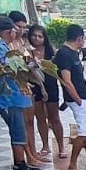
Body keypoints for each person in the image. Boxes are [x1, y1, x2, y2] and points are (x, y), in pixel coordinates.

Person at [0, 16, 43, 170]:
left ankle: (20, 165)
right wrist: (29, 65)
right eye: (15, 29)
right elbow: (10, 69)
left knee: (18, 132)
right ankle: (22, 168)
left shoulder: (0, 46)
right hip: (9, 99)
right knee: (18, 134)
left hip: (13, 97)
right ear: (8, 31)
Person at [55, 24, 86, 170]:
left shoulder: (73, 53)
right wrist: (77, 99)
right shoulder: (64, 54)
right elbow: (66, 80)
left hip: (83, 96)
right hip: (77, 98)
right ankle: (72, 164)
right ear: (80, 38)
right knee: (84, 132)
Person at [27, 24, 66, 160]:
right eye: (34, 35)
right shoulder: (27, 52)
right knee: (40, 117)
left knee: (54, 117)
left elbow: (59, 71)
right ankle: (45, 146)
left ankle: (61, 146)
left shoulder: (51, 51)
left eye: (40, 36)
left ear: (44, 38)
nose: (37, 38)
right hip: (34, 86)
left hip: (50, 86)